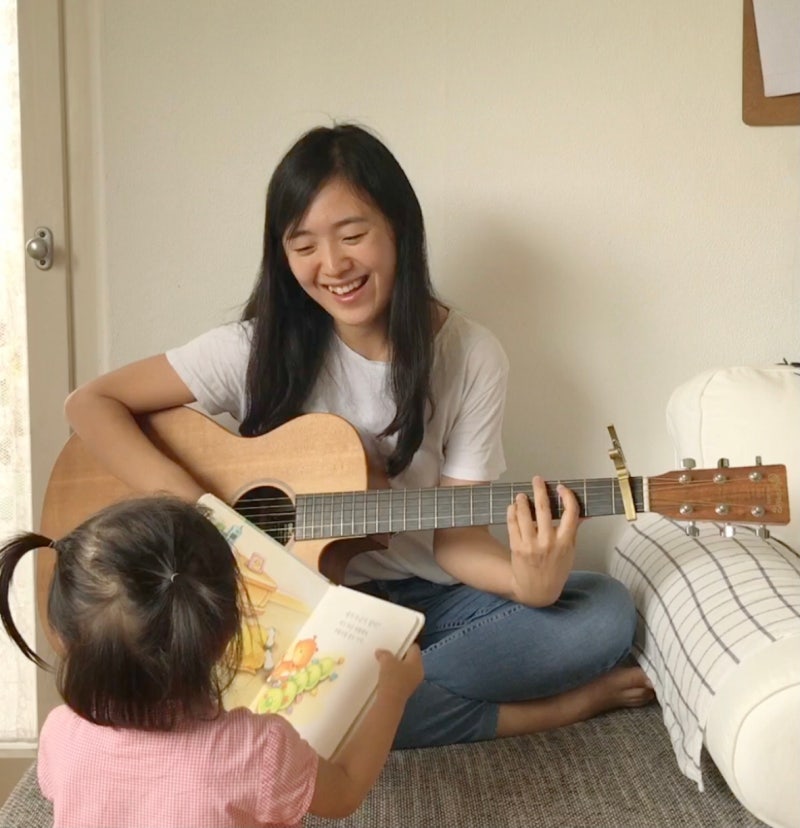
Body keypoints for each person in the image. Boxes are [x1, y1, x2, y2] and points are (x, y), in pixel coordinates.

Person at [64, 122, 653, 751]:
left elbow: (455, 540)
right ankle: (532, 709)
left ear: (400, 228)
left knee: (603, 614)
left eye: (352, 235)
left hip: (434, 601)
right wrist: (198, 510)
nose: (333, 265)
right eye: (304, 245)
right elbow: (90, 404)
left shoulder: (471, 355)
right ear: (282, 256)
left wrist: (525, 583)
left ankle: (352, 707)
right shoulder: (252, 350)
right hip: (300, 613)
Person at [0, 496, 423, 828]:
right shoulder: (260, 750)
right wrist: (392, 694)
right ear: (226, 638)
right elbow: (345, 794)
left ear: (64, 638)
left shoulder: (61, 734)